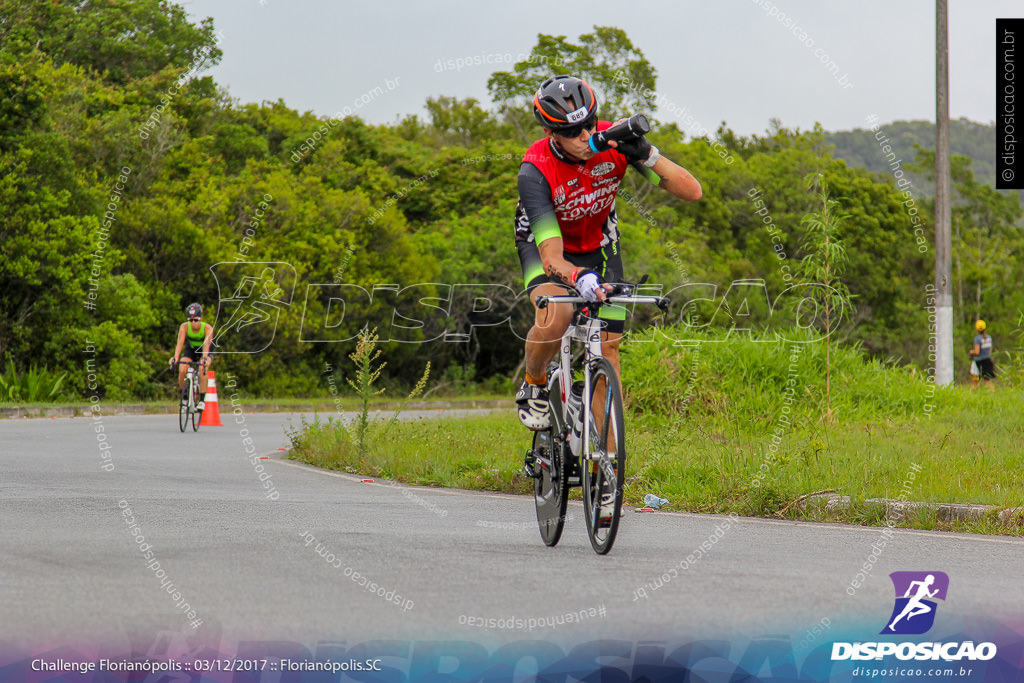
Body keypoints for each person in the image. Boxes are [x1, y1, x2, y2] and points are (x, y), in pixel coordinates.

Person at [513, 75, 702, 432]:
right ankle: (534, 383)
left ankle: (606, 470)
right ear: (552, 133)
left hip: (600, 247)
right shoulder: (535, 169)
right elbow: (553, 258)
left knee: (608, 349)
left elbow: (692, 191)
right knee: (558, 313)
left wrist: (648, 155)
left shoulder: (612, 141)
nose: (585, 137)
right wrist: (577, 277)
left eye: (588, 125)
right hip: (547, 249)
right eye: (572, 132)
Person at [169, 303, 214, 409]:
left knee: (203, 367)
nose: (193, 323)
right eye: (191, 320)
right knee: (182, 368)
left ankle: (202, 400)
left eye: (196, 320)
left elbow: (206, 345)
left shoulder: (207, 328)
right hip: (191, 349)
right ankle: (184, 396)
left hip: (204, 350)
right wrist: (175, 357)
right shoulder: (184, 327)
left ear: (201, 318)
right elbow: (180, 342)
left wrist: (205, 358)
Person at [968, 319, 995, 390]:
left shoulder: (977, 339)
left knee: (974, 381)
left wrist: (971, 352)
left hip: (978, 361)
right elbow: (990, 350)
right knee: (988, 381)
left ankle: (974, 394)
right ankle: (993, 394)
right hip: (988, 361)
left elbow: (977, 352)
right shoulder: (989, 338)